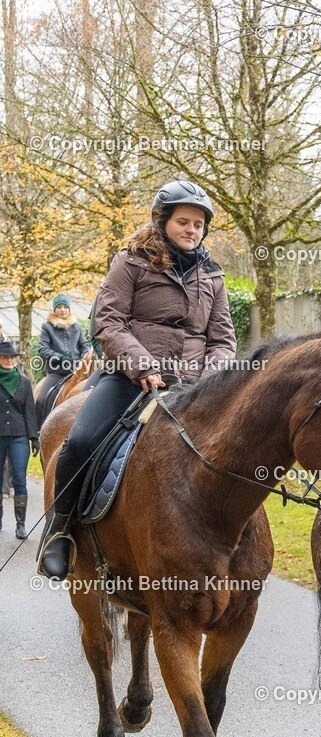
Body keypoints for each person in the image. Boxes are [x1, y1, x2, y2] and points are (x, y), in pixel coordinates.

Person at [38, 178, 237, 580]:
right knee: (79, 442)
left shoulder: (212, 276)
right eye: (183, 222)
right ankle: (59, 532)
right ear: (163, 221)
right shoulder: (130, 262)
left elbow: (222, 339)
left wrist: (211, 382)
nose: (192, 230)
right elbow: (108, 321)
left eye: (198, 225)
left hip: (194, 387)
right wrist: (143, 365)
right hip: (129, 378)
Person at [0, 337, 39, 539]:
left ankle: (21, 524)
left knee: (20, 479)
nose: (9, 360)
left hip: (19, 437)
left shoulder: (24, 383)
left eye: (12, 357)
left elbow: (30, 412)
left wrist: (34, 437)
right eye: (5, 357)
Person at [36, 294, 91, 426]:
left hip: (76, 371)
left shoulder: (77, 327)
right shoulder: (47, 327)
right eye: (59, 307)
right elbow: (43, 349)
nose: (62, 310)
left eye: (65, 307)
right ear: (54, 309)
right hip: (57, 372)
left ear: (69, 309)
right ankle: (39, 430)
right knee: (40, 400)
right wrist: (59, 357)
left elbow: (84, 345)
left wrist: (84, 358)